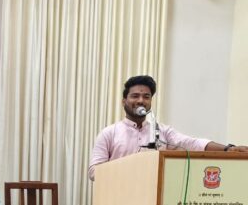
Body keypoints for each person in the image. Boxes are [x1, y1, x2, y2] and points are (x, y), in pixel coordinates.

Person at [88, 75, 248, 180]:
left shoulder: (162, 132)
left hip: (152, 203)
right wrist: (130, 166)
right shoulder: (109, 133)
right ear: (124, 101)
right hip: (117, 200)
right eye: (135, 96)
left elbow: (192, 143)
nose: (141, 100)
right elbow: (94, 172)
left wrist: (228, 149)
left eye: (146, 97)